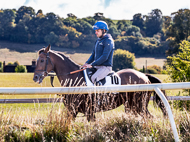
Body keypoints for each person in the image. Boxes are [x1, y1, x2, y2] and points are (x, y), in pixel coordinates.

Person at [81, 21, 115, 85]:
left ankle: (101, 95)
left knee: (94, 78)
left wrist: (92, 64)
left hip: (105, 67)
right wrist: (87, 63)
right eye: (95, 31)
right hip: (97, 66)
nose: (96, 32)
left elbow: (104, 57)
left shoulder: (108, 41)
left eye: (98, 31)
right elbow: (93, 54)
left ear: (104, 30)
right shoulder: (98, 41)